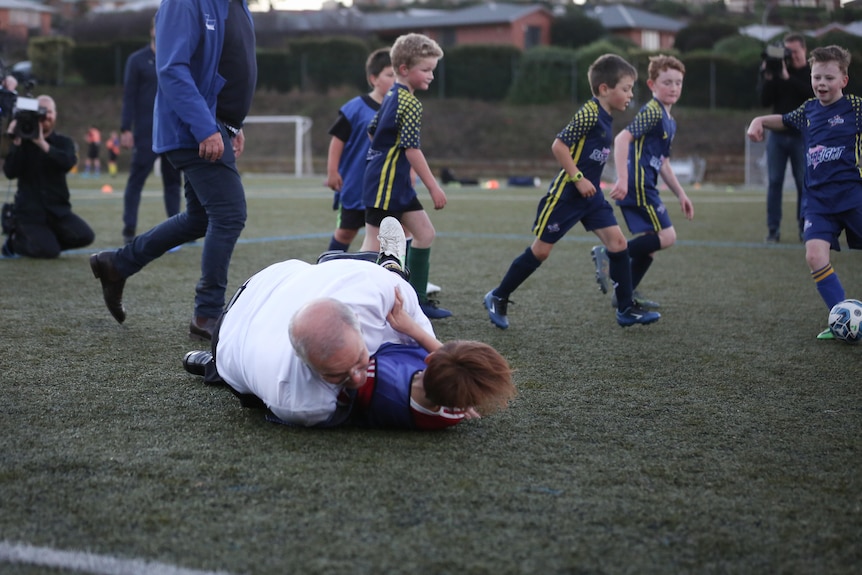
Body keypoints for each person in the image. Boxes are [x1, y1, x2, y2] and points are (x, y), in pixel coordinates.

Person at [89, 0, 257, 341]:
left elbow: (228, 66)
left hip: (216, 125)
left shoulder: (238, 5)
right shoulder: (184, 2)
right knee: (229, 213)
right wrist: (205, 127)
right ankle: (207, 313)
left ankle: (117, 264)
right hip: (193, 130)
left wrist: (232, 125)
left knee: (200, 218)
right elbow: (172, 69)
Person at [182, 218, 438, 427]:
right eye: (335, 374)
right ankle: (213, 366)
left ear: (358, 321)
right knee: (246, 386)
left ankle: (389, 266)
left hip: (279, 278)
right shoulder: (300, 402)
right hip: (230, 336)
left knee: (391, 285)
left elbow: (440, 355)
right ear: (303, 361)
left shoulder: (383, 294)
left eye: (359, 359)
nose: (358, 378)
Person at [483, 54, 660, 330]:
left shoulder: (606, 116)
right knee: (541, 252)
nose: (630, 95)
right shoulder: (589, 112)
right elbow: (559, 146)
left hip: (592, 198)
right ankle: (498, 295)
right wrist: (578, 178)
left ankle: (626, 308)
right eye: (625, 89)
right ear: (604, 89)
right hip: (566, 196)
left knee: (619, 244)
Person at [747, 45, 862, 340]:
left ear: (844, 81)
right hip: (818, 201)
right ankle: (842, 318)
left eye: (828, 78)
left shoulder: (856, 107)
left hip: (853, 195)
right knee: (814, 256)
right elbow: (783, 120)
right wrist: (759, 121)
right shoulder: (808, 110)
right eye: (816, 77)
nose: (821, 84)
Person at [360, 33, 451, 320]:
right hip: (386, 185)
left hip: (390, 182)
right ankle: (355, 299)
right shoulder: (410, 103)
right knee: (373, 244)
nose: (431, 76)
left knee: (424, 234)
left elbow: (372, 130)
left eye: (432, 69)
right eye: (426, 70)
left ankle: (417, 301)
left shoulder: (391, 96)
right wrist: (434, 187)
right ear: (403, 70)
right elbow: (411, 149)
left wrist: (384, 159)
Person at [605, 54, 694, 311]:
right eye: (667, 82)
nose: (674, 88)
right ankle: (610, 256)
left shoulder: (669, 120)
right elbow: (622, 139)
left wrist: (681, 194)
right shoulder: (653, 111)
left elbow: (662, 162)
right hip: (638, 184)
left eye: (678, 82)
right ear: (652, 85)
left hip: (644, 184)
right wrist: (622, 178)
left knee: (650, 245)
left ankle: (625, 294)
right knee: (667, 236)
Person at [1, 95, 95, 259]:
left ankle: (44, 240)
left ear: (55, 114)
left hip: (58, 211)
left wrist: (42, 143)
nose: (46, 116)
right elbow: (10, 172)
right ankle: (15, 240)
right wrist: (14, 142)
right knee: (49, 252)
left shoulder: (63, 142)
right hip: (29, 213)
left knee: (86, 236)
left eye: (49, 112)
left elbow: (68, 162)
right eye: (41, 112)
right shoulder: (22, 142)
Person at [119, 19, 182, 245]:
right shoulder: (136, 60)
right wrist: (126, 128)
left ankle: (177, 232)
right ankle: (129, 228)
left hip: (173, 132)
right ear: (152, 30)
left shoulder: (177, 58)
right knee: (136, 180)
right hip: (146, 132)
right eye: (158, 25)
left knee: (173, 183)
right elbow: (129, 97)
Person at [325, 47, 395, 252]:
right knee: (346, 232)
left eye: (398, 75)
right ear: (374, 78)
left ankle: (404, 278)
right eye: (390, 75)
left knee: (395, 233)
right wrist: (332, 171)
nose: (395, 80)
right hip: (356, 184)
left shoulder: (400, 108)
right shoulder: (355, 108)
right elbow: (337, 141)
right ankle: (327, 271)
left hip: (387, 186)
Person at [759, 32, 813, 244]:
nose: (792, 56)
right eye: (787, 51)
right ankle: (773, 230)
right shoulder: (778, 71)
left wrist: (788, 77)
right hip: (777, 137)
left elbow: (810, 95)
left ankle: (804, 228)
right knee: (774, 182)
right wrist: (769, 77)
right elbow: (764, 101)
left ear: (804, 50)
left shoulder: (811, 72)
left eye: (795, 51)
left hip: (801, 136)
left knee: (803, 183)